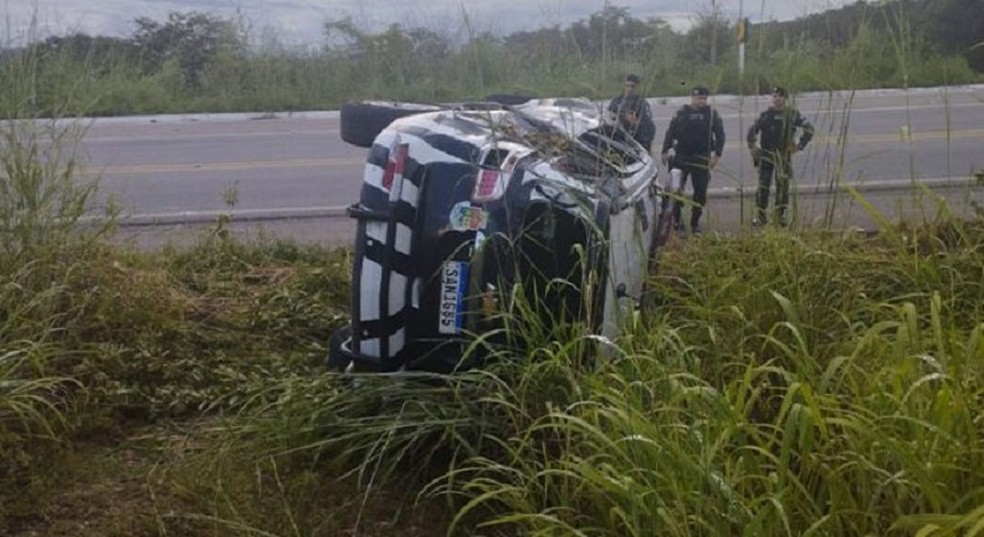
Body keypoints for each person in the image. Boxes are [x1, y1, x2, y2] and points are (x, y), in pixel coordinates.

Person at [659, 85, 726, 234]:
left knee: (700, 192)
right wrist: (664, 150)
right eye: (698, 98)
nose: (701, 101)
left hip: (701, 158)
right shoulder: (681, 113)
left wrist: (717, 155)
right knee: (675, 190)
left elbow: (720, 135)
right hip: (681, 157)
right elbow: (670, 132)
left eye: (704, 98)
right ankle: (678, 220)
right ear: (692, 98)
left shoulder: (711, 114)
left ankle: (694, 222)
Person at [746, 86, 814, 226]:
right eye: (774, 96)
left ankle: (780, 216)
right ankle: (760, 216)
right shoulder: (765, 115)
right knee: (763, 186)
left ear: (785, 98)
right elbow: (751, 132)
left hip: (783, 157)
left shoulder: (793, 114)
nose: (777, 99)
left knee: (782, 187)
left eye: (780, 96)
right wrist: (753, 148)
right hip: (766, 156)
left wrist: (799, 146)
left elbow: (810, 130)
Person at [608, 74, 656, 151]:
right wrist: (623, 116)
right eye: (627, 86)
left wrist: (637, 123)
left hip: (638, 143)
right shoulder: (617, 101)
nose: (630, 89)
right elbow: (609, 116)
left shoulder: (642, 103)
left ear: (637, 88)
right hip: (620, 143)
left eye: (633, 86)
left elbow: (649, 127)